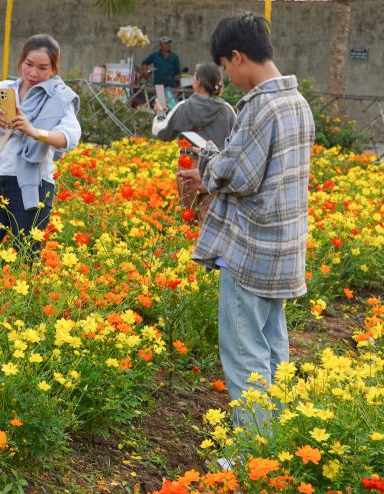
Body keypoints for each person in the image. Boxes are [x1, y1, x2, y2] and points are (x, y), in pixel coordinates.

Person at [177, 13, 315, 433]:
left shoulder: (262, 106)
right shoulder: (297, 102)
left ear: (237, 57)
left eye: (226, 66)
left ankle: (252, 450)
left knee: (243, 350)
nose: (228, 77)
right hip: (283, 247)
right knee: (273, 345)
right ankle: (276, 436)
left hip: (251, 249)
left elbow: (241, 176)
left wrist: (206, 168)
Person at [0, 34, 81, 267]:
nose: (33, 73)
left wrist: (34, 131)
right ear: (21, 61)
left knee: (25, 264)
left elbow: (70, 137)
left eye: (42, 67)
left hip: (33, 190)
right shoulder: (4, 88)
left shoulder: (59, 97)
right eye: (29, 64)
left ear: (53, 69)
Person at [152, 63, 236, 223]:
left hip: (188, 166)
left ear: (197, 81)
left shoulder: (183, 108)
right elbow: (238, 142)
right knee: (209, 220)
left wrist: (160, 115)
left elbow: (161, 132)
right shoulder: (227, 110)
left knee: (189, 218)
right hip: (215, 168)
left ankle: (189, 247)